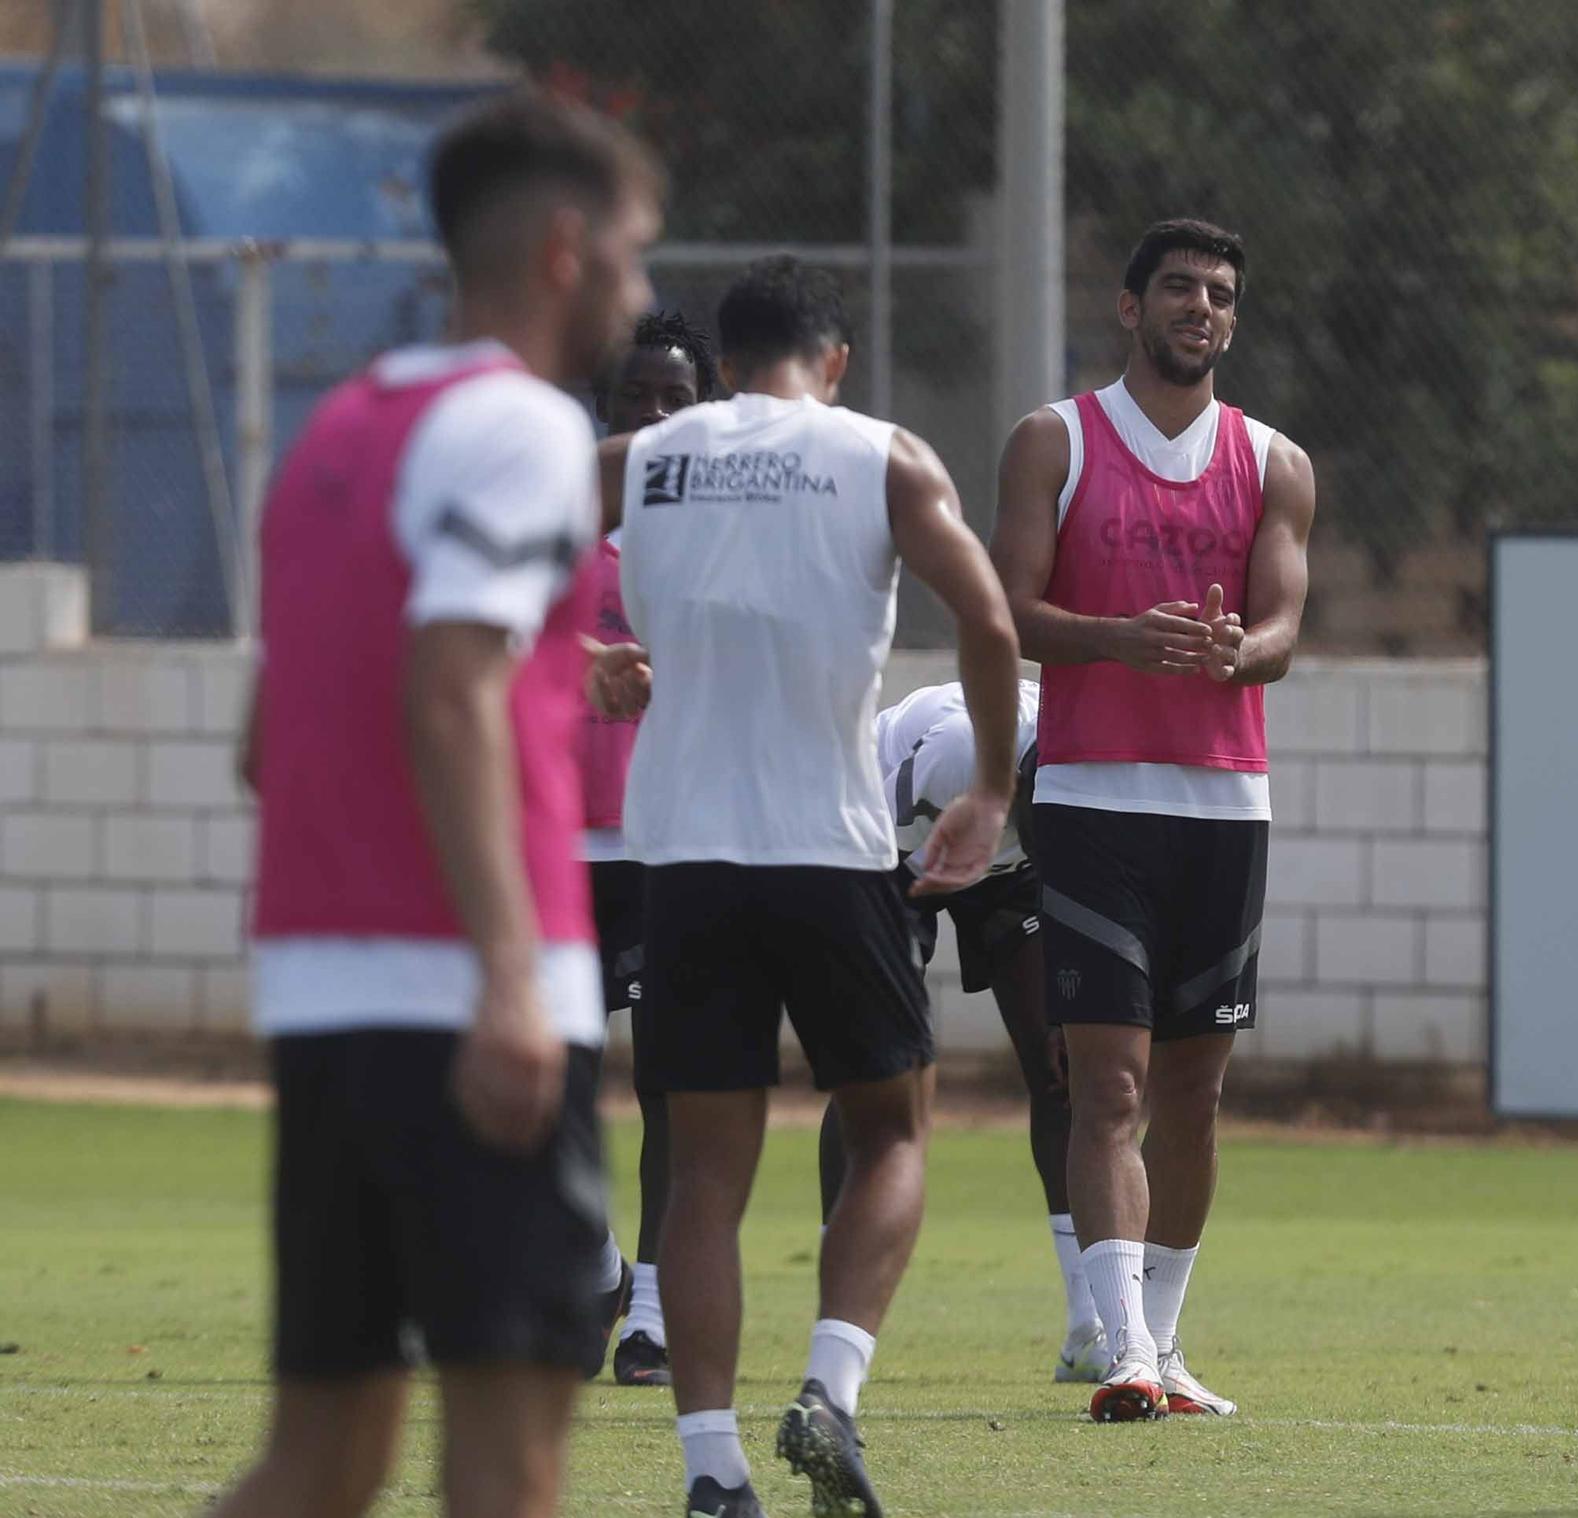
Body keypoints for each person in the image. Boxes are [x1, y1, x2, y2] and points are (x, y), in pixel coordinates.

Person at [218, 95, 658, 1518]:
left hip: (325, 993)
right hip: (467, 996)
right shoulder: (526, 429)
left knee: (318, 1465)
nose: (645, 294)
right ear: (566, 250)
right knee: (512, 1464)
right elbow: (451, 691)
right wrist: (510, 978)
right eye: (638, 255)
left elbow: (263, 740)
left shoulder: (342, 430)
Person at [596, 255, 1020, 1518]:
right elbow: (992, 626)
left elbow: (483, 568)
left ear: (721, 367)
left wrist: (578, 659)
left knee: (704, 1175)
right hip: (828, 851)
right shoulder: (880, 456)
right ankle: (830, 1385)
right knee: (890, 1125)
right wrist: (986, 790)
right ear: (832, 363)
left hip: (680, 854)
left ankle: (712, 1470)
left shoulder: (639, 460)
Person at [989, 218, 1316, 1423]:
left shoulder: (1274, 460)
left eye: (1220, 294)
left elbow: (1281, 629)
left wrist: (1241, 655)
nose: (1201, 308)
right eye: (1177, 288)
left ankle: (1162, 1344)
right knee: (1107, 1086)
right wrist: (1115, 640)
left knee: (1194, 1092)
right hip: (1091, 800)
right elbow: (1009, 612)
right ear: (1129, 308)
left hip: (1224, 807)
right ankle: (1118, 1348)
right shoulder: (1054, 442)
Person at [814, 678, 1111, 1384]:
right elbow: (865, 856)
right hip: (896, 846)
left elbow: (1082, 888)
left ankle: (1090, 1324)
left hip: (1011, 873)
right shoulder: (955, 756)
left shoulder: (1089, 769)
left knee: (1066, 1067)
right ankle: (839, 1302)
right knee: (877, 1067)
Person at [577, 310, 722, 1388]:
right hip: (554, 844)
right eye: (635, 400)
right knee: (547, 1085)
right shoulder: (551, 523)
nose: (654, 419)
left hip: (674, 844)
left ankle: (655, 1316)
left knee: (672, 1087)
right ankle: (587, 1269)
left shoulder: (722, 536)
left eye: (675, 400)